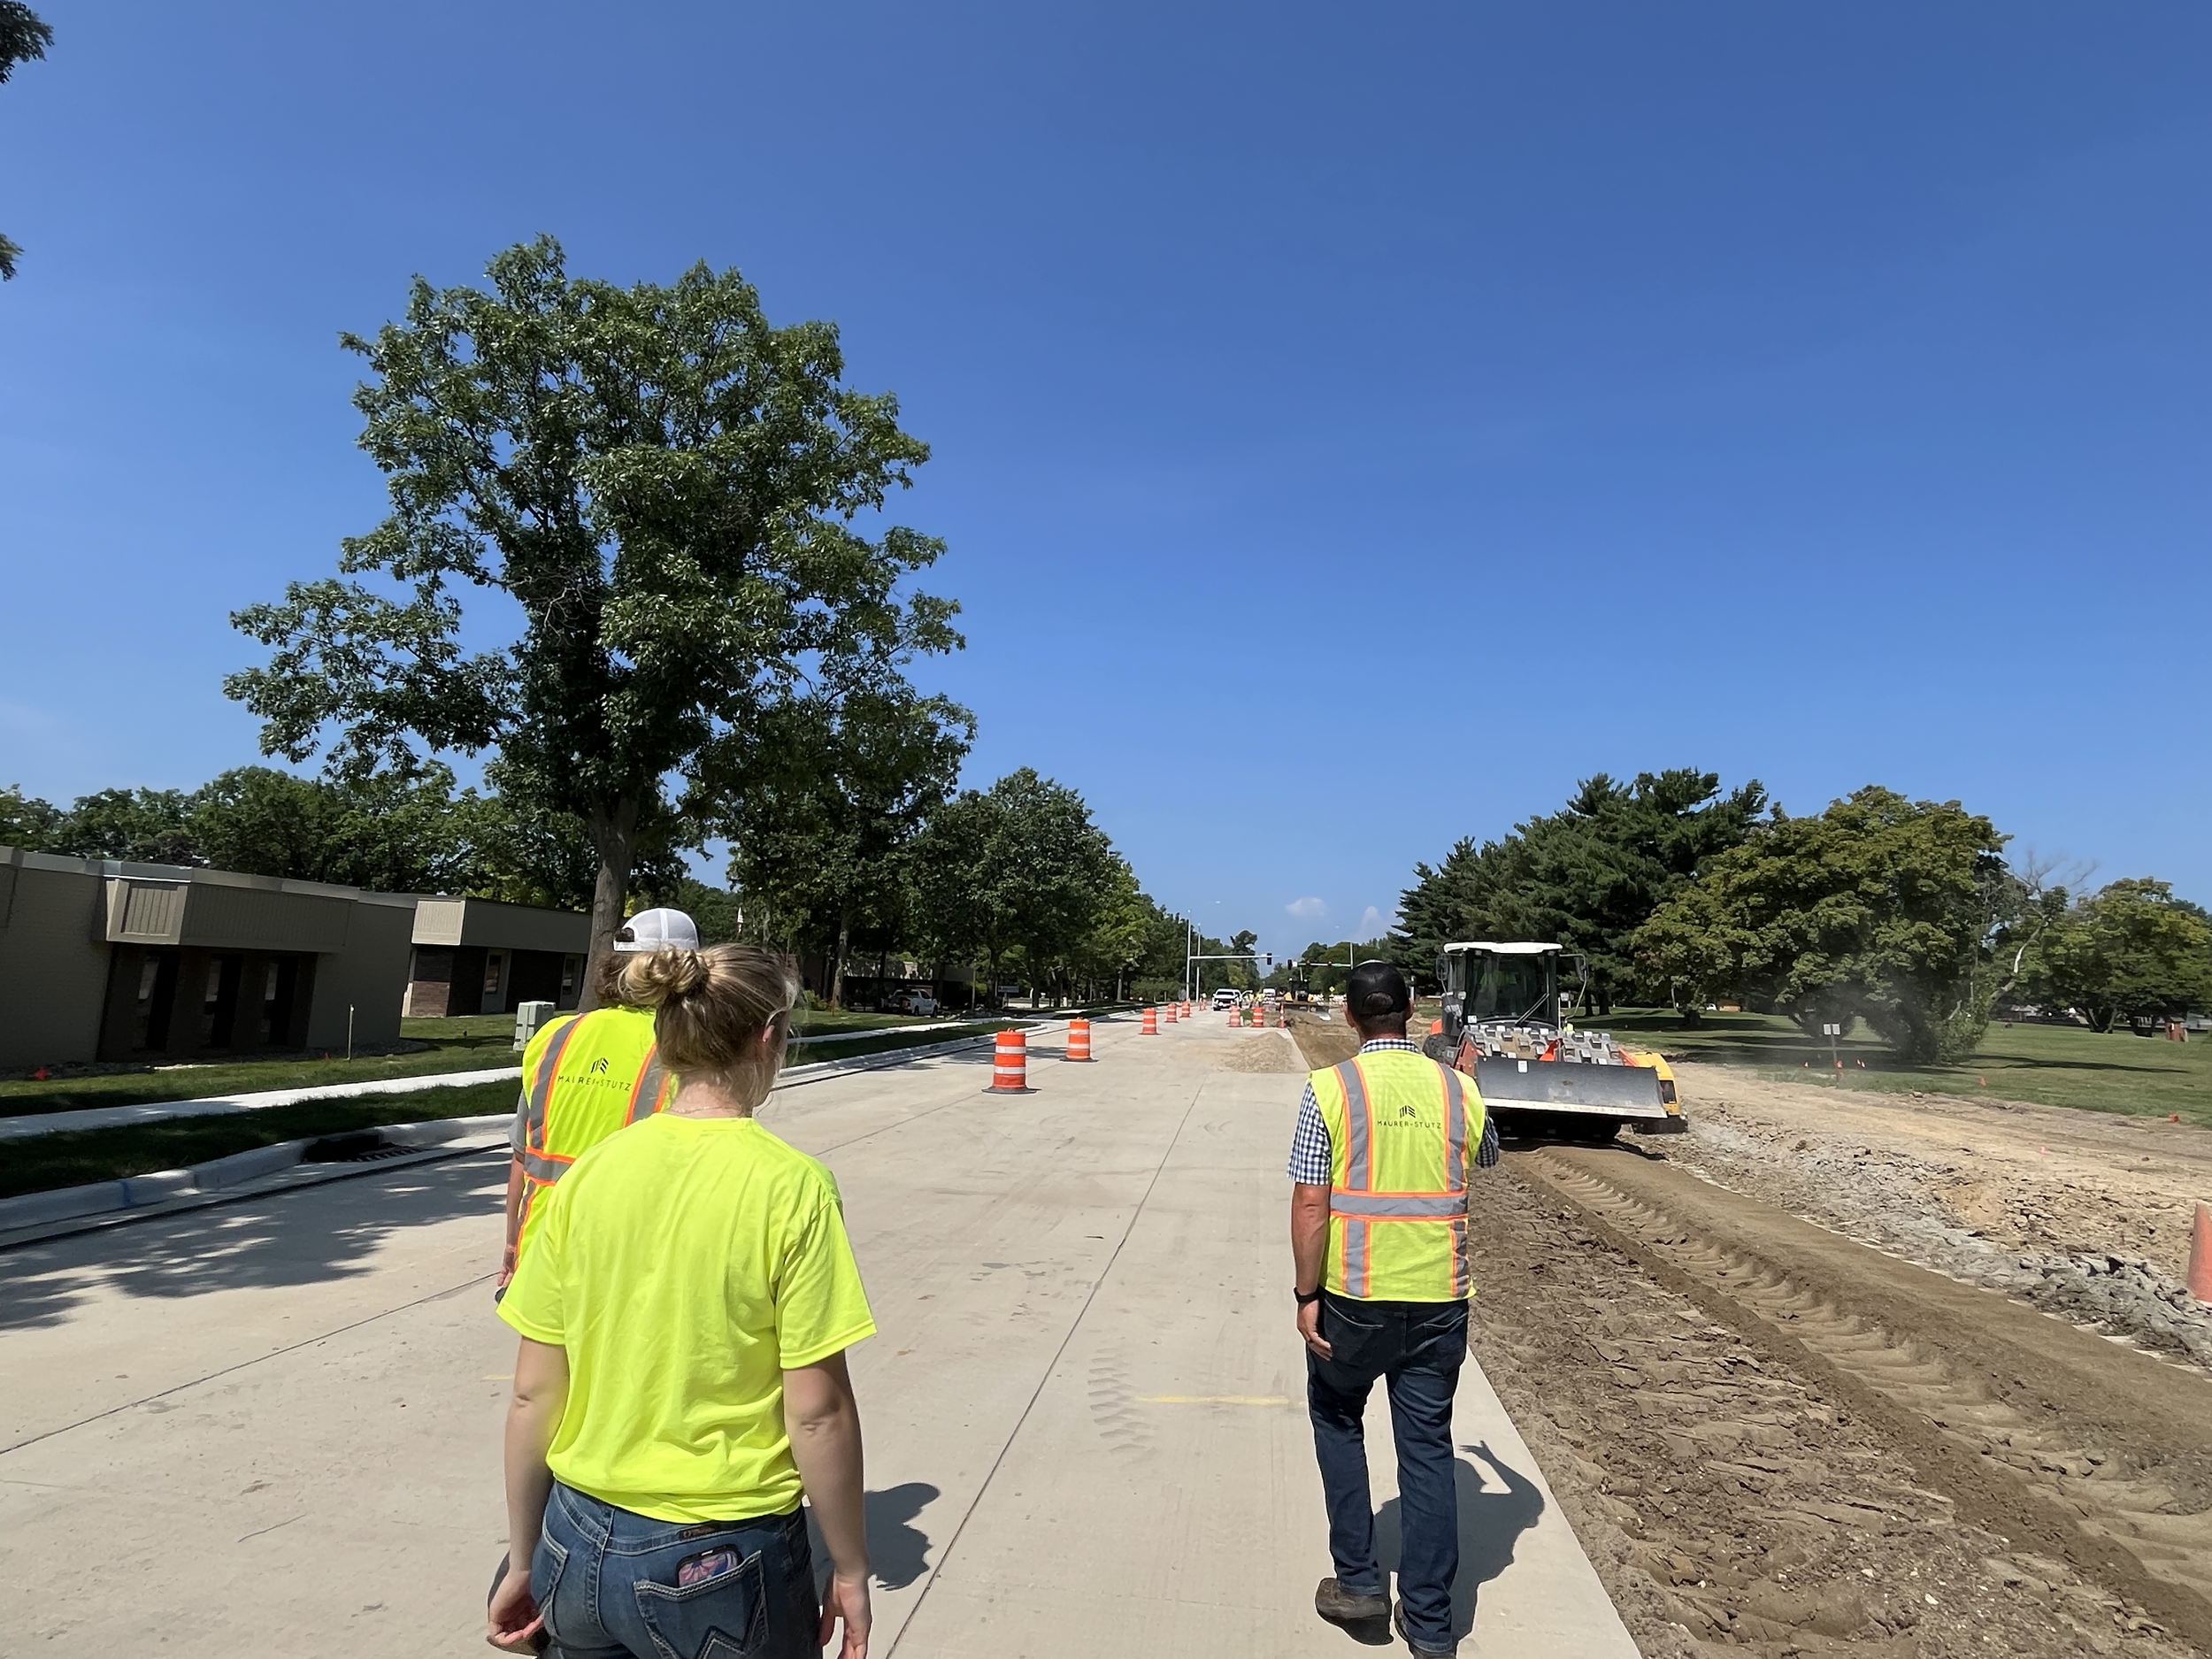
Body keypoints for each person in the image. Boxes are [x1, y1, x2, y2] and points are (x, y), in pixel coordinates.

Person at [486, 942, 877, 1659]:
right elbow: (816, 1411)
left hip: (575, 1539)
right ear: (769, 1036)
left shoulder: (592, 1173)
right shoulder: (792, 1187)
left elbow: (532, 1394)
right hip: (723, 1554)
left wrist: (523, 1560)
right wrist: (850, 1566)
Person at [1287, 959, 1498, 1659]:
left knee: (1337, 1416)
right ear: (1412, 1009)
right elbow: (1486, 1155)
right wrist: (1468, 1076)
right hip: (1439, 1301)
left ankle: (1360, 1583)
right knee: (1428, 1448)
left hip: (1353, 1298)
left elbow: (1311, 1200)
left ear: (1349, 1016)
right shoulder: (1457, 1087)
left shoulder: (1331, 1088)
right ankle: (1432, 1628)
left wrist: (1305, 1293)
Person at [499, 908, 699, 1292]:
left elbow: (522, 1161)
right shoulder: (685, 1051)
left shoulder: (555, 1037)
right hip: (630, 1268)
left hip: (542, 1253)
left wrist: (512, 1243)